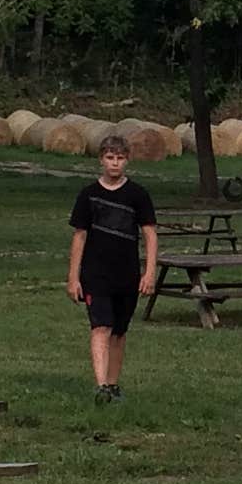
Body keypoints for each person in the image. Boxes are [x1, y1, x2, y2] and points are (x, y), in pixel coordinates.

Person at [67, 133, 159, 401]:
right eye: (110, 158)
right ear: (101, 160)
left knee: (119, 331)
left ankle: (113, 384)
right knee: (101, 327)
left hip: (127, 274)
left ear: (127, 161)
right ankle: (101, 387)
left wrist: (150, 272)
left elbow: (150, 234)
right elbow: (79, 236)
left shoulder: (138, 195)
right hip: (96, 275)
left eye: (120, 158)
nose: (115, 164)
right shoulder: (88, 195)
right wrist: (73, 278)